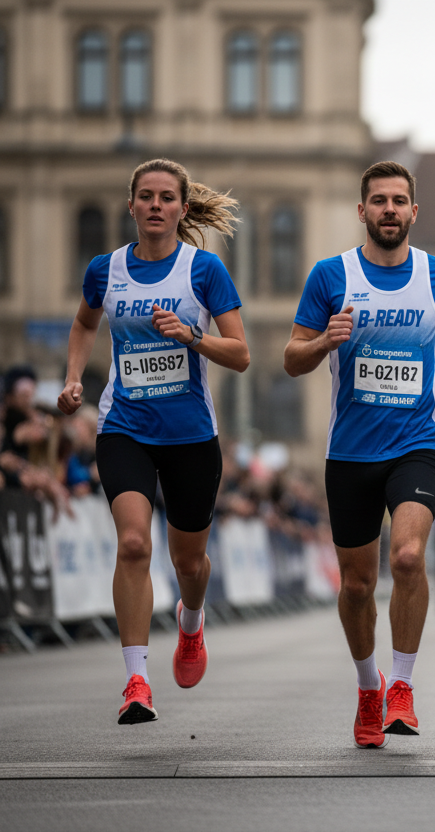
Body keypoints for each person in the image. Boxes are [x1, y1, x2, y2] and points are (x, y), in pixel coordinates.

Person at [284, 161, 435, 748]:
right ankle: (369, 687)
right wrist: (324, 341)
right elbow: (292, 357)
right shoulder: (330, 276)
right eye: (378, 201)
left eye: (399, 201)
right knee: (357, 586)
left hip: (417, 442)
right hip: (350, 452)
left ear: (414, 212)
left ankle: (403, 687)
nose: (389, 210)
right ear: (362, 211)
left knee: (410, 558)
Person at [56, 158, 249, 724]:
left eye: (168, 197)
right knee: (135, 545)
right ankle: (136, 680)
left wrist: (192, 336)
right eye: (147, 196)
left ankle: (191, 622)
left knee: (189, 562)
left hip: (191, 435)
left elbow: (239, 354)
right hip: (125, 428)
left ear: (183, 209)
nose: (157, 205)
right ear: (133, 205)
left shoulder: (204, 270)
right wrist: (73, 378)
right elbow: (85, 324)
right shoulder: (105, 269)